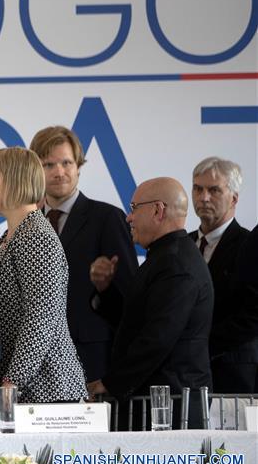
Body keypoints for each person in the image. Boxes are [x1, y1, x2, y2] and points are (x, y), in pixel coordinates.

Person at [88, 177, 213, 428]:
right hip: (158, 404)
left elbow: (158, 337)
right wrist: (107, 291)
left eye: (134, 208)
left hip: (172, 409)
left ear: (158, 210)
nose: (128, 218)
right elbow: (137, 322)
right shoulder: (164, 257)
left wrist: (111, 384)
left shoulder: (176, 264)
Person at [0, 147, 87, 403]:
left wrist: (12, 381)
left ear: (14, 180)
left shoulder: (36, 236)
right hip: (26, 391)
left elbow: (41, 318)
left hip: (44, 391)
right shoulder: (13, 235)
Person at [29, 126, 137, 382]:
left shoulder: (107, 218)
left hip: (90, 359)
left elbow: (131, 298)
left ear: (78, 166)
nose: (59, 172)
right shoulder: (28, 223)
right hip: (37, 361)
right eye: (48, 164)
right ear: (36, 171)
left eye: (66, 162)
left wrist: (104, 287)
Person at [188, 157, 256, 393]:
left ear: (234, 198)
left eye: (214, 190)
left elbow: (253, 314)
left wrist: (201, 346)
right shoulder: (182, 245)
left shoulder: (249, 244)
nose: (203, 197)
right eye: (198, 189)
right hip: (187, 376)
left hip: (234, 373)